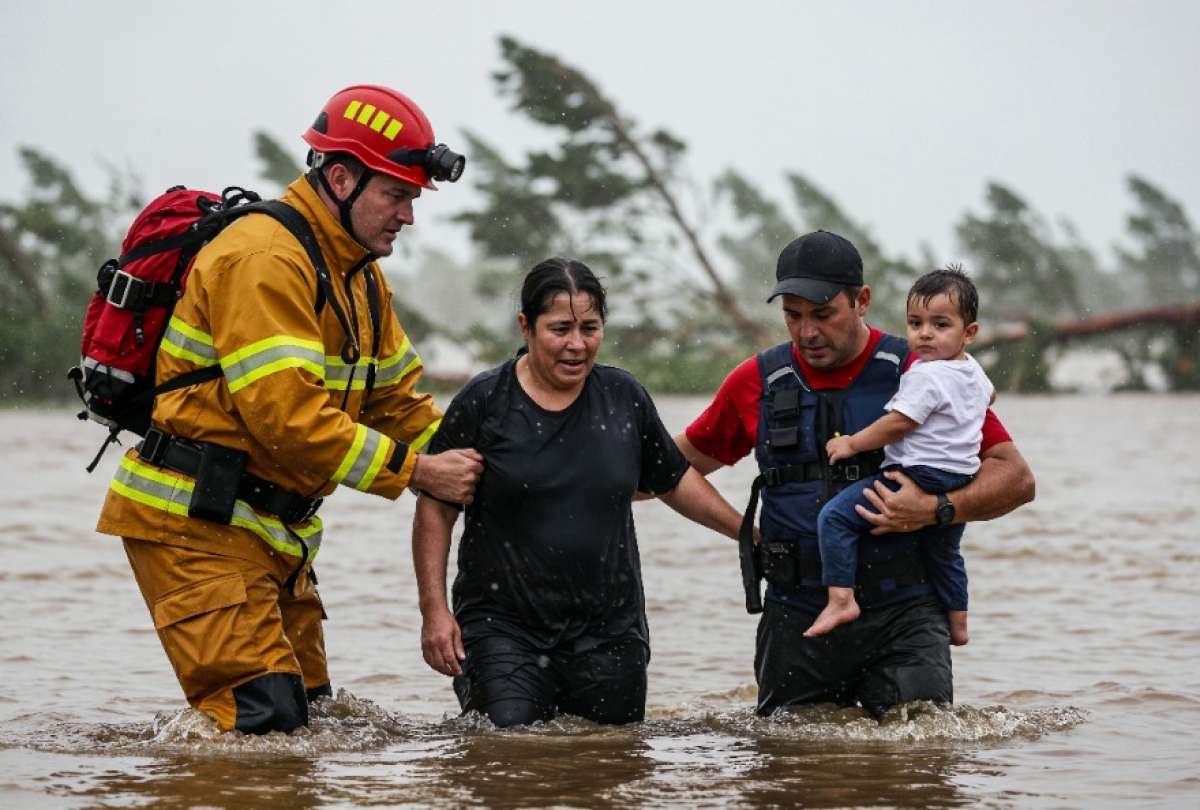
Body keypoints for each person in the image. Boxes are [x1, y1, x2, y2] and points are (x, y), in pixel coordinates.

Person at [95, 85, 484, 734]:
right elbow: (290, 421)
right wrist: (420, 474)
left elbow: (400, 404)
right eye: (397, 195)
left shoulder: (359, 275)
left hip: (274, 537)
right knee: (263, 729)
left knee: (312, 728)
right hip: (197, 529)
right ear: (341, 178)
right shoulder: (264, 258)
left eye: (413, 199)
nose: (408, 217)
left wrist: (508, 455)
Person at [675, 230, 1035, 718]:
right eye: (793, 316)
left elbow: (1015, 478)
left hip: (905, 614)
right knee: (792, 776)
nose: (807, 332)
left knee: (922, 762)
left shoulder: (925, 369)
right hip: (797, 615)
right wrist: (746, 532)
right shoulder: (755, 380)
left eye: (823, 314)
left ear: (862, 301)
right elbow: (668, 469)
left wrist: (937, 509)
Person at [412, 257, 744, 728]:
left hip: (609, 630)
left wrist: (748, 533)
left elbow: (674, 481)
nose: (576, 344)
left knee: (609, 762)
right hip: (502, 626)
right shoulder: (485, 402)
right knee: (506, 756)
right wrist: (434, 611)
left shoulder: (623, 396)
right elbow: (435, 508)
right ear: (526, 326)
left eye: (590, 328)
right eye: (560, 328)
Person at [808, 266, 994, 644]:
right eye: (915, 322)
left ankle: (841, 599)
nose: (924, 334)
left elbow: (897, 424)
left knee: (834, 520)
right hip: (960, 476)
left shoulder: (926, 375)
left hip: (919, 474)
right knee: (945, 554)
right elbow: (989, 397)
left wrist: (852, 443)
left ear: (969, 333)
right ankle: (958, 624)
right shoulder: (972, 371)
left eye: (940, 325)